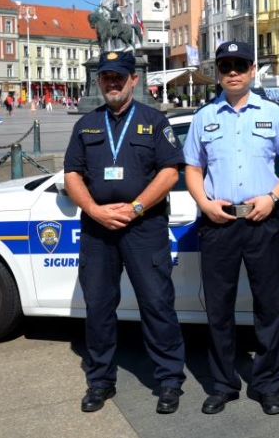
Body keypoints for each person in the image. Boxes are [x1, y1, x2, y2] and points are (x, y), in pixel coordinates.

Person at [182, 41, 279, 416]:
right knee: (218, 308)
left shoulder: (273, 114)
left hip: (261, 219)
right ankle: (223, 384)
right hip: (218, 223)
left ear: (252, 70)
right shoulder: (204, 117)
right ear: (217, 73)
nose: (232, 72)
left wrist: (272, 196)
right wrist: (203, 203)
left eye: (239, 65)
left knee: (269, 307)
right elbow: (192, 169)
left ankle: (268, 384)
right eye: (224, 66)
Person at [63, 51, 187, 415]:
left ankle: (168, 381)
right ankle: (100, 381)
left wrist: (135, 208)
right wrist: (93, 210)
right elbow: (72, 174)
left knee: (156, 303)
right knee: (99, 308)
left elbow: (169, 172)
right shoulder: (86, 125)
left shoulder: (153, 120)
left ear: (134, 79)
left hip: (143, 227)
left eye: (119, 76)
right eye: (106, 77)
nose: (113, 83)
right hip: (97, 230)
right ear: (99, 81)